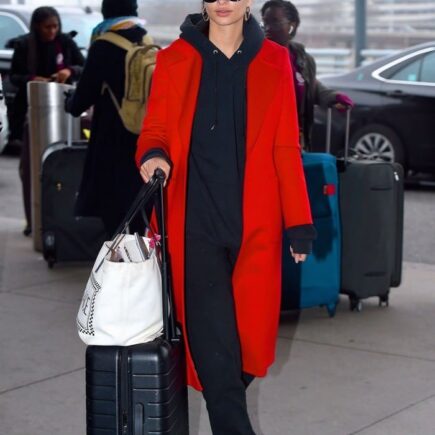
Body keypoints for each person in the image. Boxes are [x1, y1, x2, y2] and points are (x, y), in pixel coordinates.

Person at [136, 0, 317, 433]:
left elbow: (285, 147)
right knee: (216, 355)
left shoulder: (275, 60)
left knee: (244, 354)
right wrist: (153, 154)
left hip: (255, 225)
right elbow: (155, 128)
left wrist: (299, 221)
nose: (223, 2)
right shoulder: (174, 58)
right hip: (191, 223)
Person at [65, 0, 147, 236]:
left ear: (106, 12)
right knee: (139, 204)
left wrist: (69, 103)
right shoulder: (146, 41)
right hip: (143, 136)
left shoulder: (104, 45)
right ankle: (143, 261)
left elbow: (82, 99)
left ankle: (117, 264)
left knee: (113, 209)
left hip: (111, 138)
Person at [10, 6, 85, 236]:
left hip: (65, 116)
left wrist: (69, 71)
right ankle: (33, 220)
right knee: (30, 168)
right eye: (47, 27)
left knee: (62, 169)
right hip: (32, 115)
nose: (52, 31)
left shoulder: (65, 42)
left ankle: (60, 219)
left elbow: (84, 67)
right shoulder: (24, 46)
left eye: (55, 26)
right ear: (37, 27)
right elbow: (14, 77)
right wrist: (34, 79)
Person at [261, 0, 354, 149]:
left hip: (296, 139)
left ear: (292, 25)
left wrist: (333, 97)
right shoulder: (257, 58)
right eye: (265, 22)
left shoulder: (302, 59)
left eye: (275, 22)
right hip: (265, 140)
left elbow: (309, 85)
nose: (268, 28)